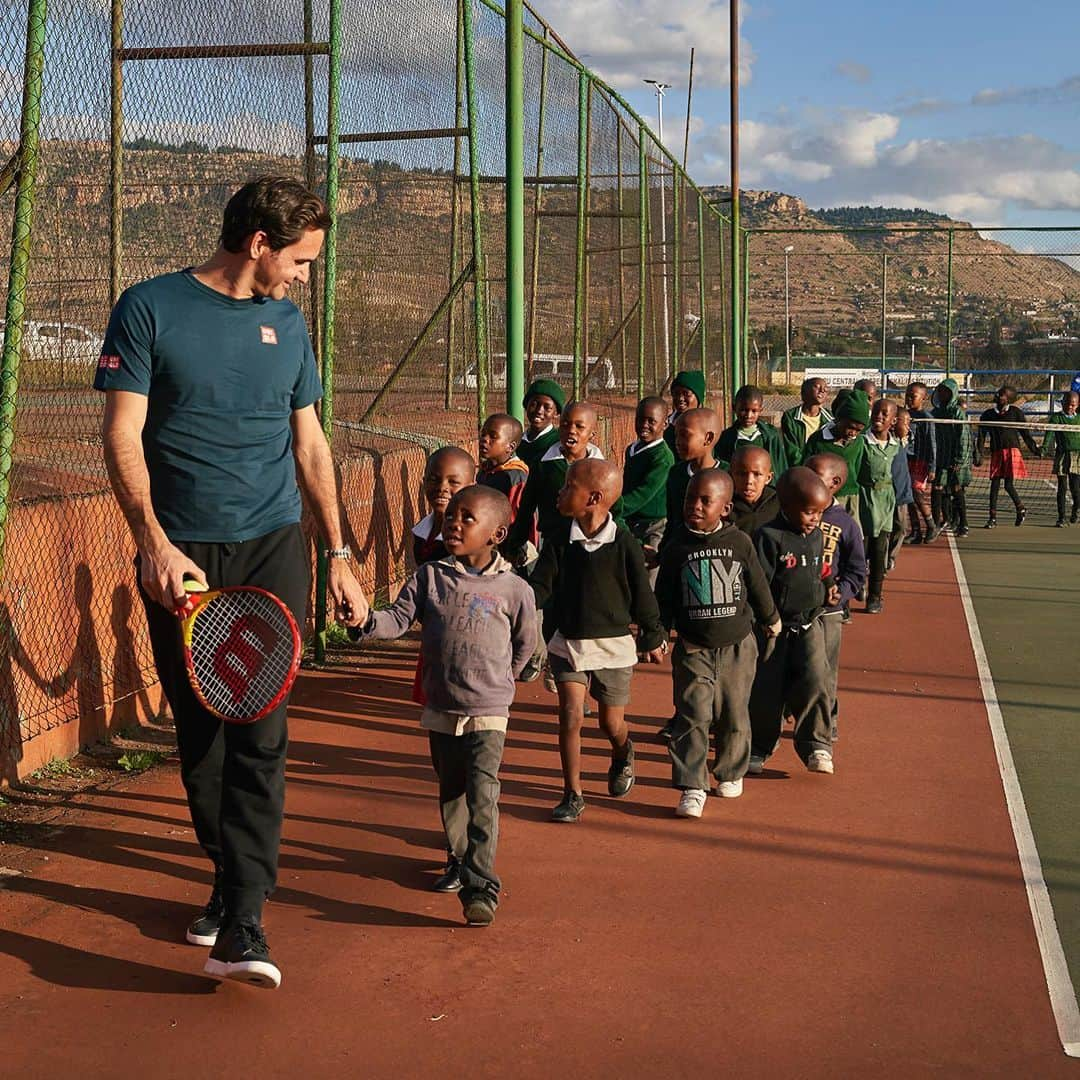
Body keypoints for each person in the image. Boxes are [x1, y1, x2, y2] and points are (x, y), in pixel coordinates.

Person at [96, 176, 368, 990]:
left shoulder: (288, 326)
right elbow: (121, 433)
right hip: (181, 558)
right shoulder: (148, 309)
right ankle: (228, 874)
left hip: (271, 550)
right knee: (201, 743)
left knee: (262, 736)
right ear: (259, 244)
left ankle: (246, 917)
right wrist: (151, 542)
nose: (304, 276)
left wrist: (339, 555)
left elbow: (311, 448)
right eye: (301, 260)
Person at [352, 486, 535, 926]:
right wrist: (363, 622)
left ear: (497, 533)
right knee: (451, 790)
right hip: (441, 706)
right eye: (451, 515)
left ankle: (480, 887)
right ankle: (458, 855)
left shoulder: (515, 589)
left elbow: (526, 645)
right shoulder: (429, 577)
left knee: (484, 793)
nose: (454, 523)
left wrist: (500, 680)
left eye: (467, 518)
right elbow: (396, 620)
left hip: (489, 709)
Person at [528, 459, 666, 822]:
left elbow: (642, 594)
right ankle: (572, 793)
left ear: (593, 498)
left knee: (610, 723)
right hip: (568, 643)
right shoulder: (558, 539)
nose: (560, 492)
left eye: (568, 487)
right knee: (570, 715)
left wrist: (652, 634)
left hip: (613, 647)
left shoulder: (624, 543)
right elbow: (541, 585)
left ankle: (623, 750)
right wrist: (518, 606)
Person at [655, 470, 780, 817]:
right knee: (693, 714)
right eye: (690, 499)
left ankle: (730, 770)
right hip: (693, 647)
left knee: (734, 712)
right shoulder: (677, 545)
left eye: (705, 501)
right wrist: (659, 632)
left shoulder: (739, 542)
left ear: (724, 509)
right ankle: (692, 786)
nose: (695, 506)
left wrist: (771, 619)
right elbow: (663, 595)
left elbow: (757, 585)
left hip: (738, 645)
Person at [748, 467, 837, 775]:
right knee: (766, 690)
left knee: (816, 680)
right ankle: (759, 746)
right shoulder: (768, 537)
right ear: (786, 507)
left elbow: (818, 573)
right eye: (810, 512)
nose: (816, 519)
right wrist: (766, 619)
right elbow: (759, 585)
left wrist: (828, 588)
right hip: (774, 629)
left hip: (810, 624)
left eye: (820, 513)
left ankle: (817, 745)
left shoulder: (816, 536)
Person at [805, 454, 865, 742]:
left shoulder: (847, 524)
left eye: (816, 475)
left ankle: (827, 721)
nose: (808, 480)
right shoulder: (792, 514)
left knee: (824, 672)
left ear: (835, 483)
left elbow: (857, 569)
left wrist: (843, 592)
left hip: (828, 613)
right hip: (793, 608)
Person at [621, 396, 676, 582]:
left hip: (654, 525)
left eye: (651, 421)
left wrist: (615, 507)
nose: (644, 425)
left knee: (650, 573)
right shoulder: (632, 449)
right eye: (640, 419)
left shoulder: (662, 457)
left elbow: (643, 493)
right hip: (631, 521)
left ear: (665, 424)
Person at [657, 407, 722, 554]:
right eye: (676, 436)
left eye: (685, 435)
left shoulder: (726, 475)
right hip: (682, 552)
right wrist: (662, 553)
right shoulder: (676, 473)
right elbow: (673, 520)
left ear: (708, 438)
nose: (677, 442)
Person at [858, 398, 900, 614]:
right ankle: (854, 589)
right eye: (876, 412)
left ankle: (875, 596)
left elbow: (900, 477)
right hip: (864, 502)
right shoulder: (862, 442)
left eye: (885, 414)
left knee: (878, 552)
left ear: (893, 421)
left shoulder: (896, 445)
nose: (879, 417)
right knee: (858, 552)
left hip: (885, 504)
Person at [976, 385, 1039, 528]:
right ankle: (992, 518)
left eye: (1002, 394)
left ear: (1009, 398)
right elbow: (981, 436)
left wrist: (1034, 449)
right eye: (998, 393)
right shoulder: (988, 414)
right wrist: (978, 452)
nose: (998, 395)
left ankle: (1020, 508)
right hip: (997, 453)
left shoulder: (1016, 413)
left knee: (1009, 485)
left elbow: (1025, 433)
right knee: (995, 485)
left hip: (1012, 452)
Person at [804, 388, 870, 523]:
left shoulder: (858, 442)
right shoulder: (818, 440)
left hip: (851, 496)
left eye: (858, 430)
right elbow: (806, 468)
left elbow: (857, 467)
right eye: (850, 427)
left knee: (851, 533)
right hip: (824, 496)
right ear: (839, 419)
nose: (853, 433)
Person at [413, 446, 477, 567]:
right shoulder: (421, 531)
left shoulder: (470, 539)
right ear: (424, 481)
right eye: (433, 479)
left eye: (453, 482)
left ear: (471, 487)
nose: (442, 488)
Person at [931, 378, 974, 537]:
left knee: (956, 489)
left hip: (955, 459)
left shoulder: (957, 413)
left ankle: (963, 523)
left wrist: (959, 459)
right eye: (940, 391)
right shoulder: (935, 413)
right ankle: (936, 523)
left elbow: (963, 437)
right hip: (940, 458)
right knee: (937, 488)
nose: (942, 394)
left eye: (946, 392)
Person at [715, 385, 787, 474]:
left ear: (760, 410)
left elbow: (780, 467)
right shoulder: (726, 437)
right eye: (743, 410)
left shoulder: (771, 435)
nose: (749, 416)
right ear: (734, 408)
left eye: (754, 411)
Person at [477, 413, 530, 530]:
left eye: (493, 436)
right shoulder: (484, 470)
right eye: (483, 434)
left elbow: (517, 518)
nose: (485, 439)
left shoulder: (515, 477)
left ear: (510, 447)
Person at [903, 381, 937, 544]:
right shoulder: (905, 415)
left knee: (917, 494)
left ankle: (931, 525)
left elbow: (932, 443)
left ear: (923, 398)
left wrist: (932, 466)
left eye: (913, 396)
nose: (909, 399)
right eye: (907, 395)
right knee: (908, 496)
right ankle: (915, 530)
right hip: (906, 460)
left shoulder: (926, 418)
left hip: (920, 461)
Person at [1041, 390, 1080, 527]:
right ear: (1062, 403)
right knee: (1062, 488)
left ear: (1077, 405)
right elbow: (1050, 434)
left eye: (1073, 405)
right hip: (1062, 456)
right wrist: (1044, 448)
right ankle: (1061, 517)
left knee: (1076, 489)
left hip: (1077, 457)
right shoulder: (1056, 418)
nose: (1070, 407)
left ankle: (1076, 510)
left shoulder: (1079, 418)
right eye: (1067, 404)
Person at [781, 376, 832, 467]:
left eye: (825, 389)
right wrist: (804, 467)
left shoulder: (830, 418)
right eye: (817, 387)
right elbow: (790, 448)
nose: (822, 391)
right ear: (804, 392)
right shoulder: (791, 417)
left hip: (823, 468)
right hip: (799, 468)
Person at [729, 444, 779, 535]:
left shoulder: (778, 502)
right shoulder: (725, 505)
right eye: (742, 474)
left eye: (757, 474)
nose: (749, 481)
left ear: (768, 478)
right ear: (732, 474)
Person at [887, 407, 915, 570]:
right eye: (906, 422)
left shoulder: (905, 441)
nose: (908, 426)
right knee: (883, 530)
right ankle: (877, 558)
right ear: (895, 422)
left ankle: (891, 557)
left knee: (901, 527)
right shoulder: (885, 441)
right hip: (885, 495)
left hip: (901, 494)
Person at [517, 378, 565, 471]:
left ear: (556, 414)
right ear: (526, 406)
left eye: (547, 408)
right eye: (534, 404)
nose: (539, 411)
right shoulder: (517, 441)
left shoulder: (558, 443)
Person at [663, 369, 706, 452]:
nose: (680, 398)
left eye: (686, 394)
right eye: (676, 393)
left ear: (698, 398)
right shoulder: (664, 425)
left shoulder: (706, 427)